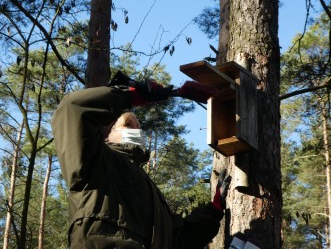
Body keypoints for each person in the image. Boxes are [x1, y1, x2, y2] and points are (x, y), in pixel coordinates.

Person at [51, 80, 231, 249]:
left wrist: (213, 210)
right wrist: (128, 96)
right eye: (127, 125)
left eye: (137, 128)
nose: (135, 131)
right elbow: (72, 109)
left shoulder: (150, 192)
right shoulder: (97, 160)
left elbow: (177, 241)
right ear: (106, 135)